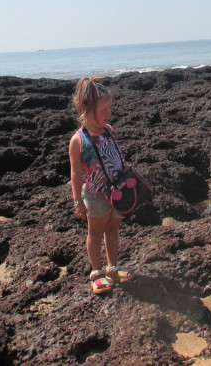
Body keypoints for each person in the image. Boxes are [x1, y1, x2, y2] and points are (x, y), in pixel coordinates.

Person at [69, 77, 133, 294]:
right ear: (86, 109)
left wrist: (127, 174)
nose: (109, 114)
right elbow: (76, 172)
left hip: (117, 192)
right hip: (95, 195)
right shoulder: (78, 140)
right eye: (104, 110)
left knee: (113, 229)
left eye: (110, 109)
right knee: (95, 233)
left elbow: (116, 156)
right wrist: (77, 201)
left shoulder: (109, 131)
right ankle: (96, 272)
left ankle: (112, 267)